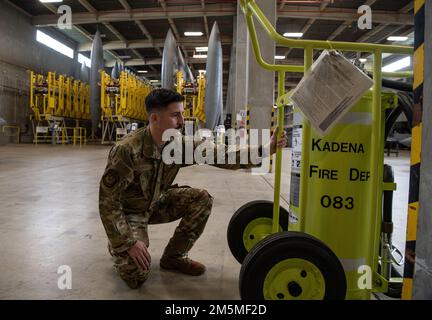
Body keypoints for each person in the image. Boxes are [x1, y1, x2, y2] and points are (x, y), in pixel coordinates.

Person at [99, 88, 287, 289]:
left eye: (182, 114)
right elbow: (108, 203)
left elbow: (221, 154)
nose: (181, 121)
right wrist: (126, 241)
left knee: (201, 199)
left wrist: (265, 150)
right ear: (155, 118)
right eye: (175, 115)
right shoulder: (127, 150)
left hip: (157, 202)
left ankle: (174, 257)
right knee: (136, 276)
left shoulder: (177, 145)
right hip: (130, 213)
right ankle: (117, 246)